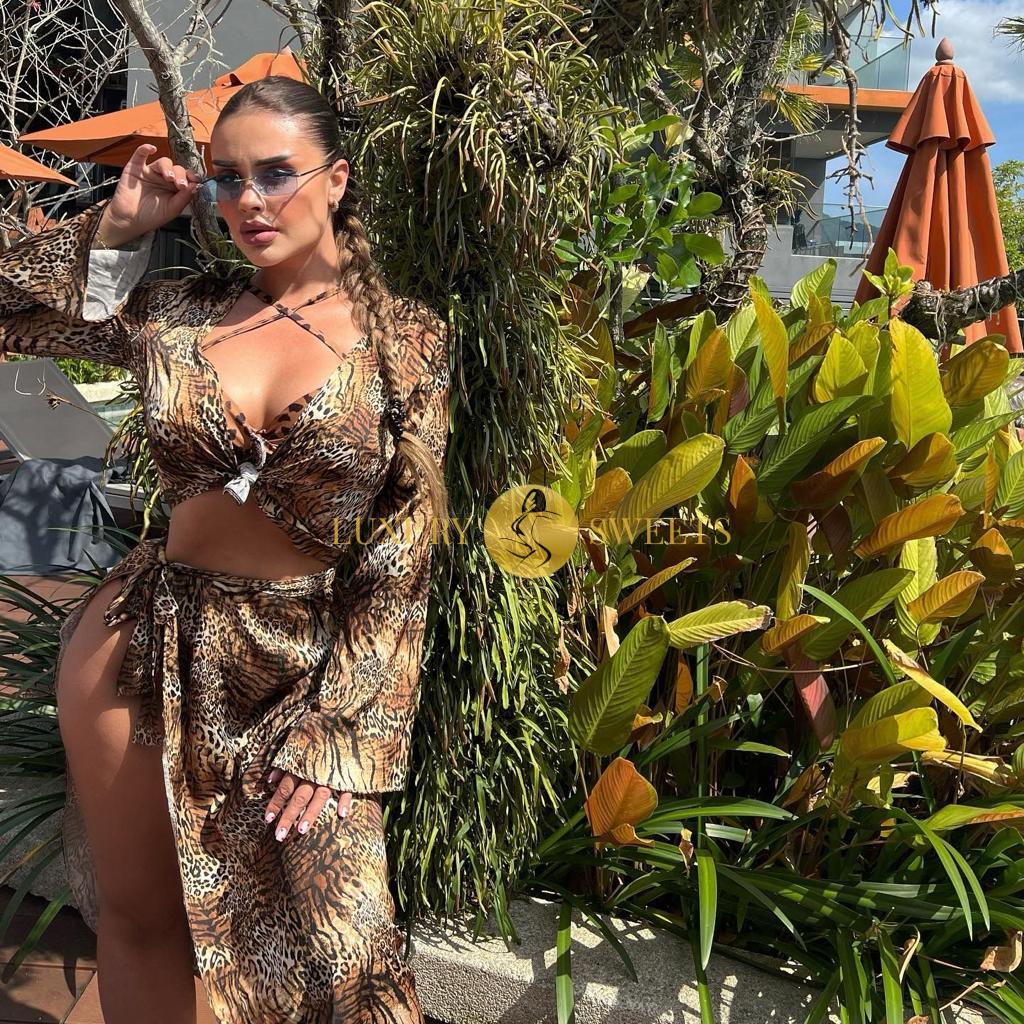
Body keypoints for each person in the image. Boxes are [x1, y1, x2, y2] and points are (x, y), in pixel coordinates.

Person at [0, 75, 451, 1024]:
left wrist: (344, 728)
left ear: (336, 180)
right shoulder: (177, 312)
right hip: (140, 645)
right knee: (140, 918)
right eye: (227, 179)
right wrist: (115, 228)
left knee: (350, 953)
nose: (249, 201)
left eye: (276, 174)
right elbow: (12, 313)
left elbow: (401, 553)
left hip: (301, 661)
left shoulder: (407, 340)